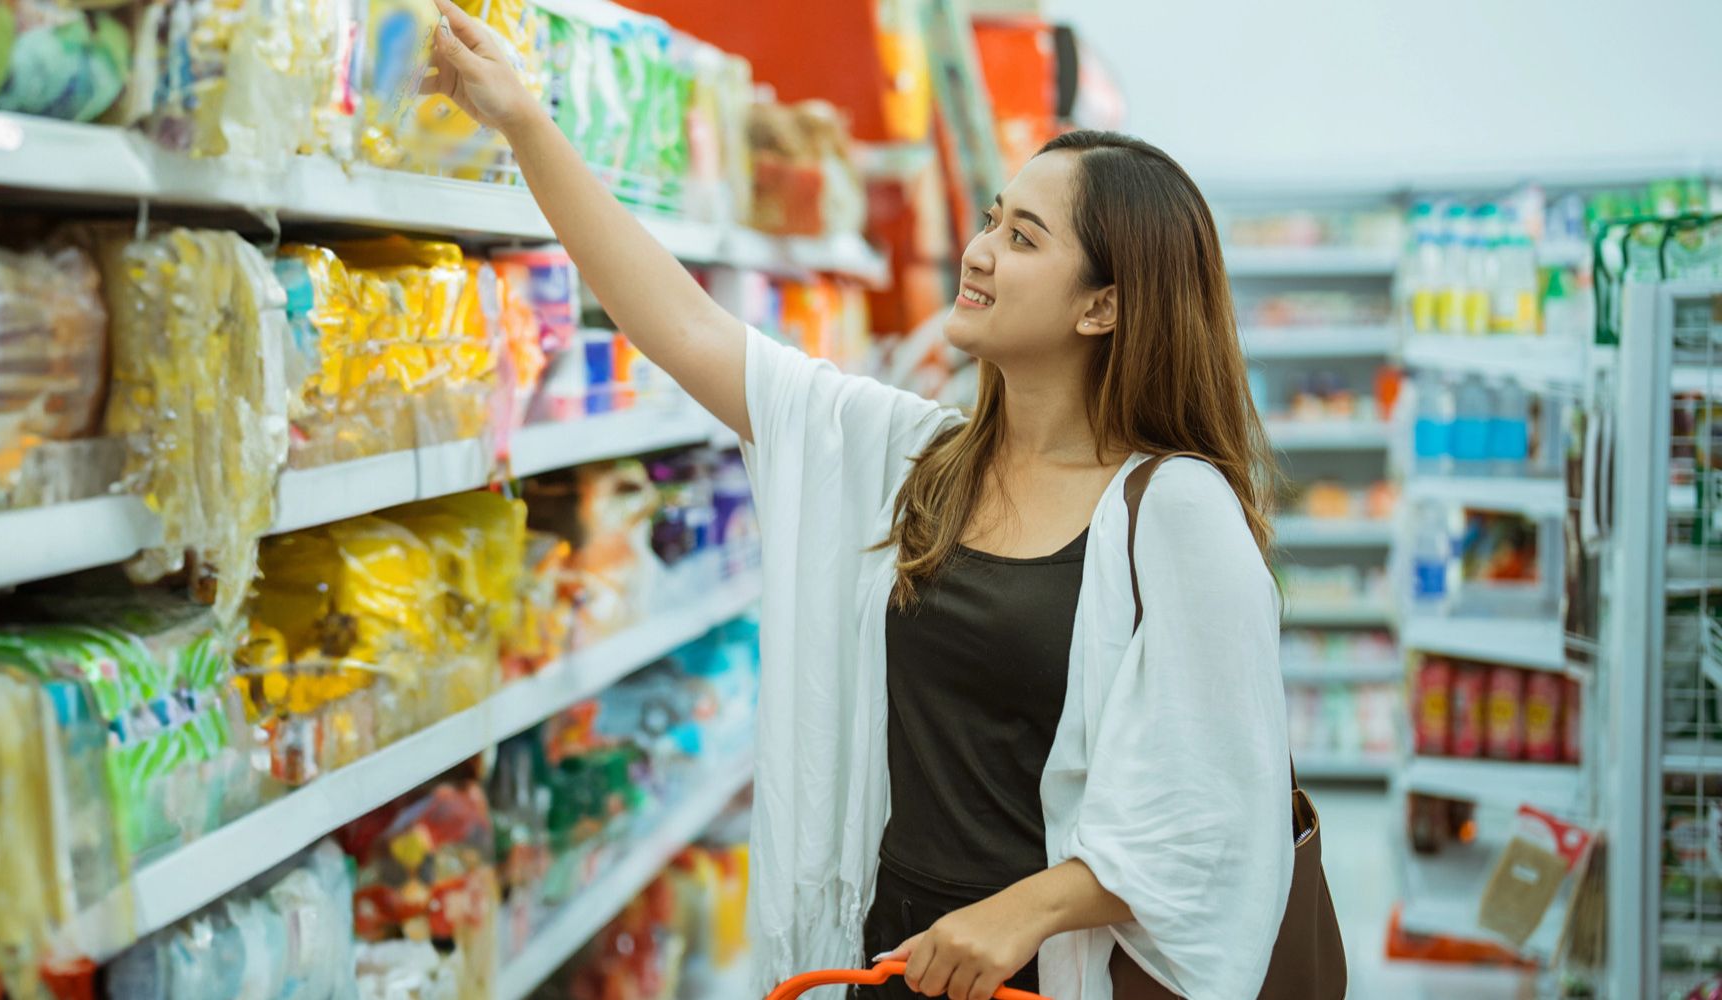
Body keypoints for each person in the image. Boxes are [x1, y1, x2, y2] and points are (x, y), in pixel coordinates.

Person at [420, 4, 1294, 999]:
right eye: (989, 219)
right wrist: (525, 123)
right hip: (888, 959)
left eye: (1023, 236)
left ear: (1102, 305)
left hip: (1040, 974)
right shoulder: (912, 458)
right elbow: (684, 328)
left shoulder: (1175, 510)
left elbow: (1220, 807)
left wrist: (1030, 908)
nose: (978, 250)